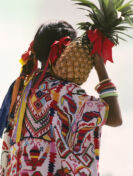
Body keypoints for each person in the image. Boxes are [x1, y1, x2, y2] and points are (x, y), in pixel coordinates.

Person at [0, 20, 122, 176]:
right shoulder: (65, 94)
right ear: (66, 51)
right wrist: (101, 69)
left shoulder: (20, 89)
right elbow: (114, 117)